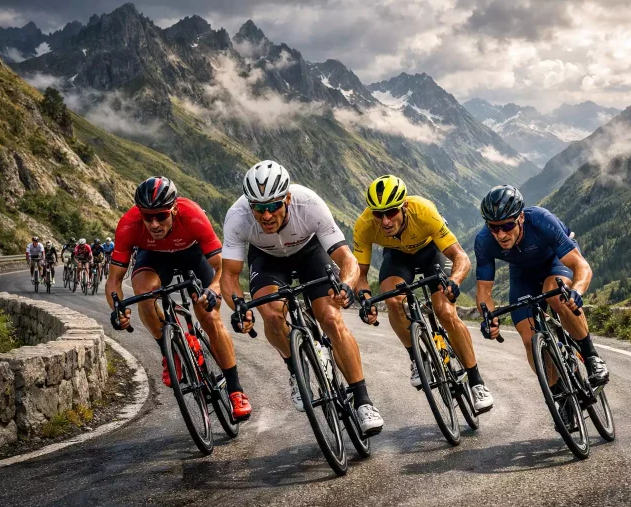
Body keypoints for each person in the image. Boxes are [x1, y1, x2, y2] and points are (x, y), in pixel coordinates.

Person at [220, 160, 384, 434]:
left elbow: (347, 258)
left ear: (287, 197)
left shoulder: (309, 204)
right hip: (267, 259)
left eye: (273, 206)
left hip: (310, 252)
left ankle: (362, 400)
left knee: (330, 317)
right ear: (250, 206)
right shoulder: (237, 217)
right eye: (259, 209)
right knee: (271, 314)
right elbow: (229, 276)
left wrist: (345, 285)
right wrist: (239, 308)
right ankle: (295, 369)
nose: (266, 215)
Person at [105, 176, 252, 422]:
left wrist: (212, 292)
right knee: (144, 294)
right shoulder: (129, 224)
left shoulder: (193, 215)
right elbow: (114, 281)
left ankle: (236, 391)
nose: (153, 223)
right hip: (153, 257)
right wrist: (118, 309)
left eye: (161, 215)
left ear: (173, 208)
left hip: (192, 255)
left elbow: (222, 269)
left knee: (209, 316)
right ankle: (169, 349)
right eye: (147, 216)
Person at [353, 175, 494, 412]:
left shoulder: (424, 211)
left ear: (404, 206)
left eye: (391, 212)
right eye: (379, 214)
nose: (385, 221)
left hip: (431, 252)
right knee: (392, 299)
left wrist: (454, 281)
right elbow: (361, 274)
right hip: (397, 257)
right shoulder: (365, 225)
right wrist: (365, 298)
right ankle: (416, 359)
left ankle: (476, 381)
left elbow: (461, 257)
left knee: (444, 310)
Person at [474, 185, 609, 386]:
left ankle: (591, 357)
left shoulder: (540, 220)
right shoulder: (484, 241)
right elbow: (484, 292)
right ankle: (558, 393)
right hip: (523, 274)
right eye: (494, 227)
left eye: (507, 226)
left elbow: (580, 265)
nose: (501, 234)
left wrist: (577, 290)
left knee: (554, 294)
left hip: (556, 262)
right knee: (529, 339)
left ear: (520, 217)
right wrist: (488, 319)